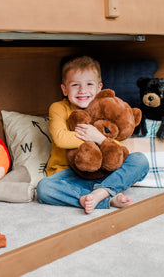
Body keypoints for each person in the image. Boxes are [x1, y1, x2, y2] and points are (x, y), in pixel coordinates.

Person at [36, 56, 149, 214]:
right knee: (44, 188)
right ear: (64, 89)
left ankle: (102, 192)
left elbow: (118, 148)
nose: (82, 90)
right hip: (68, 174)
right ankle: (107, 197)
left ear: (99, 88)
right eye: (75, 85)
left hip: (103, 172)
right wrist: (91, 136)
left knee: (140, 161)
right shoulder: (58, 108)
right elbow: (60, 138)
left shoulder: (103, 107)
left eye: (89, 84)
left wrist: (100, 139)